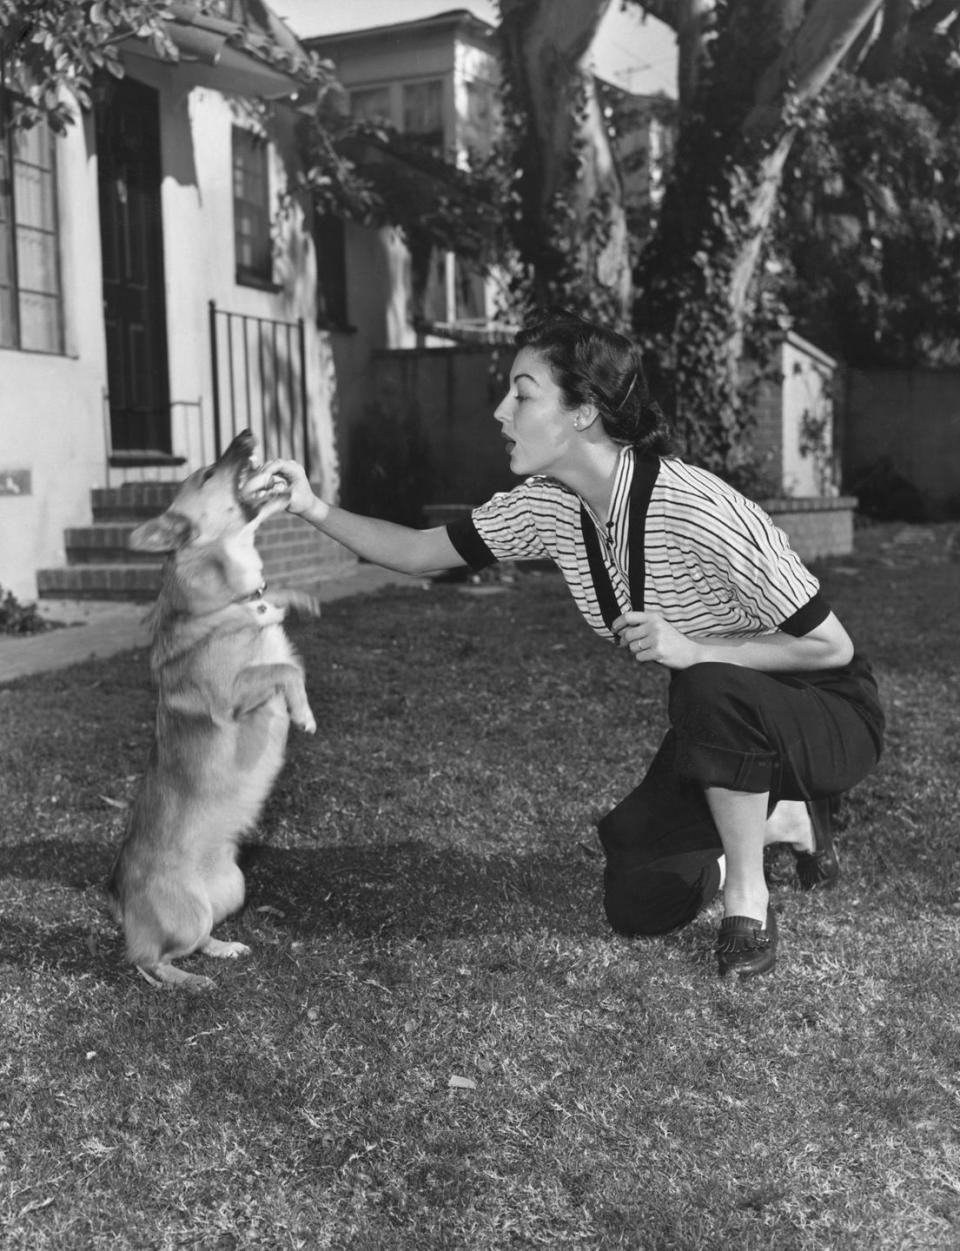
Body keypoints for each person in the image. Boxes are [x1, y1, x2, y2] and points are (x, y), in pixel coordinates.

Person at [264, 309, 884, 978]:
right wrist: (310, 507)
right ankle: (789, 820)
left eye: (522, 393)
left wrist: (694, 648)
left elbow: (831, 647)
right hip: (727, 721)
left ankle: (748, 899)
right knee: (639, 899)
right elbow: (419, 553)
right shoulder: (551, 505)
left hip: (827, 711)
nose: (502, 411)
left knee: (704, 681)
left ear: (583, 411)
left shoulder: (697, 508)